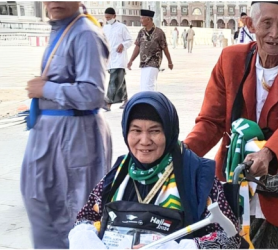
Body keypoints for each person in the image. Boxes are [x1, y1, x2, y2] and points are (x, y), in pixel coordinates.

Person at [183, 1, 278, 249]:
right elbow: (211, 121)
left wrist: (268, 152)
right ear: (250, 24)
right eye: (266, 23)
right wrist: (179, 156)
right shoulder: (230, 60)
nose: (275, 33)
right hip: (235, 183)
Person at [68, 91, 243, 249]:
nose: (144, 141)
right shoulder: (118, 175)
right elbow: (86, 217)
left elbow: (230, 239)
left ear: (169, 132)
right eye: (136, 130)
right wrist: (87, 240)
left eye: (155, 131)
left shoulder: (196, 175)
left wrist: (174, 249)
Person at [21, 1, 113, 249]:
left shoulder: (85, 33)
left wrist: (46, 89)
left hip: (75, 136)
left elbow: (93, 94)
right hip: (53, 134)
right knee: (42, 204)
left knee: (75, 214)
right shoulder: (63, 28)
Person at [127, 9, 173, 92]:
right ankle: (147, 102)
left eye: (142, 18)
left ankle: (149, 103)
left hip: (154, 62)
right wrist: (131, 60)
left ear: (148, 19)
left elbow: (165, 47)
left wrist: (170, 61)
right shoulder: (141, 32)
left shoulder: (159, 32)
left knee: (149, 85)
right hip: (143, 63)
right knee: (143, 86)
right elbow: (137, 46)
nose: (140, 21)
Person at [102, 7, 132, 111]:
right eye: (106, 18)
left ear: (114, 16)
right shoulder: (105, 28)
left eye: (109, 17)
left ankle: (108, 102)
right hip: (110, 59)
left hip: (119, 58)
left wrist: (123, 45)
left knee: (114, 80)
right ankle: (126, 99)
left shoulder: (122, 27)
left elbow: (129, 40)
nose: (107, 19)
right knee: (120, 80)